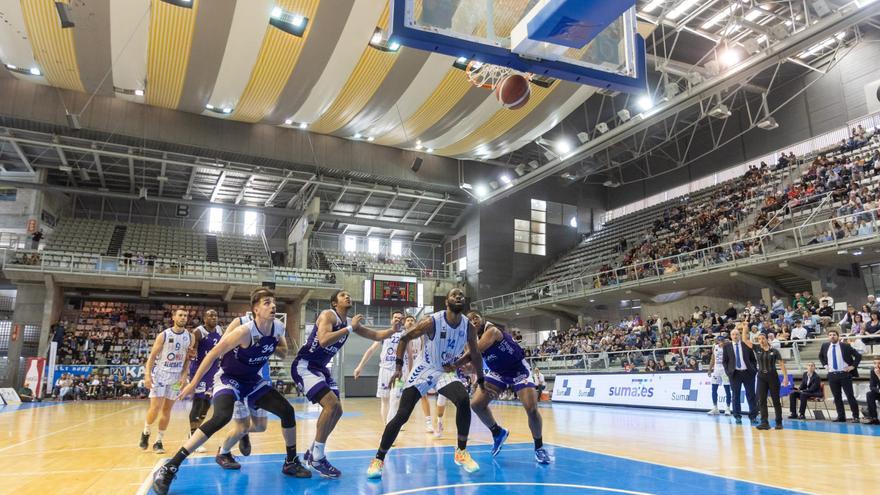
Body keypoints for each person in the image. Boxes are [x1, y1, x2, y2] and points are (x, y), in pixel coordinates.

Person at [151, 288, 311, 495]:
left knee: (287, 411)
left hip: (252, 380)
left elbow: (282, 352)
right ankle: (170, 467)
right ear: (255, 310)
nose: (273, 306)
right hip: (228, 378)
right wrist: (192, 383)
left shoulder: (278, 327)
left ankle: (290, 461)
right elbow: (214, 354)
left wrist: (276, 349)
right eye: (267, 303)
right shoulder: (243, 331)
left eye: (274, 302)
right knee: (221, 416)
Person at [367, 288, 485, 479]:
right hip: (424, 369)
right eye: (454, 294)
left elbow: (475, 354)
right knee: (402, 415)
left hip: (445, 371)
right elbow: (405, 338)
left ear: (465, 303)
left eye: (461, 295)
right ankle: (378, 459)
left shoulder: (469, 327)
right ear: (446, 302)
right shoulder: (431, 321)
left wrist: (480, 379)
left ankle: (461, 452)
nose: (458, 297)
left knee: (463, 399)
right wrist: (398, 367)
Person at [292, 290, 397, 478]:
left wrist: (393, 330)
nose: (348, 297)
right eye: (342, 295)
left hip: (320, 368)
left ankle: (312, 451)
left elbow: (376, 335)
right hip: (305, 365)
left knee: (337, 410)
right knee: (331, 405)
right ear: (334, 303)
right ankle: (317, 457)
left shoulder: (350, 323)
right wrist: (350, 328)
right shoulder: (328, 315)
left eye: (349, 294)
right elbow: (323, 341)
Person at [460, 312, 551, 463]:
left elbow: (474, 353)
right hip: (498, 373)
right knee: (476, 404)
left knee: (531, 409)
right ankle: (497, 432)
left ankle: (539, 447)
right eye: (469, 320)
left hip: (518, 369)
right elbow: (473, 364)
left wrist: (458, 363)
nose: (473, 320)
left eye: (476, 317)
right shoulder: (469, 341)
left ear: (482, 319)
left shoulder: (492, 331)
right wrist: (470, 369)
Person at [140, 309, 191, 454]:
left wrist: (184, 376)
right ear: (174, 317)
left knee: (167, 410)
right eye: (180, 315)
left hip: (176, 376)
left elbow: (188, 359)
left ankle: (159, 441)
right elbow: (152, 357)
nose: (183, 317)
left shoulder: (190, 337)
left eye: (185, 316)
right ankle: (146, 431)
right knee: (155, 409)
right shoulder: (164, 335)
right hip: (161, 374)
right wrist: (147, 375)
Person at [352, 310, 418, 424]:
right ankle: (386, 426)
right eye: (395, 318)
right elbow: (371, 350)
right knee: (385, 400)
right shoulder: (384, 334)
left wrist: (411, 374)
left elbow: (410, 356)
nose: (397, 319)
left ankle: (390, 427)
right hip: (385, 370)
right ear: (391, 320)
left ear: (403, 321)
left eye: (400, 318)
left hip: (400, 370)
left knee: (395, 398)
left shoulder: (406, 335)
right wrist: (359, 366)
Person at [187, 310, 223, 454]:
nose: (214, 318)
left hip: (213, 371)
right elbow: (191, 350)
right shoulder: (198, 332)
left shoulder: (220, 330)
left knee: (207, 404)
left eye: (215, 315)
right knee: (198, 403)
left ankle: (195, 433)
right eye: (210, 316)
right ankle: (192, 436)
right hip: (200, 371)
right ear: (204, 318)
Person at [744, 333, 788, 430]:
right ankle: (764, 422)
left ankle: (779, 422)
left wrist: (785, 377)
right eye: (759, 339)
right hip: (761, 377)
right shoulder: (757, 348)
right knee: (762, 400)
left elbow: (781, 364)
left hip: (773, 377)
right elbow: (745, 339)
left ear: (767, 339)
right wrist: (745, 328)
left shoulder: (774, 351)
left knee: (776, 400)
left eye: (763, 338)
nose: (761, 340)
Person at [818, 329, 862, 423]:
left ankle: (856, 416)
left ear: (838, 336)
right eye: (830, 335)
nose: (832, 336)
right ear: (828, 337)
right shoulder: (825, 346)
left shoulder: (845, 346)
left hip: (844, 374)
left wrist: (852, 366)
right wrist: (825, 365)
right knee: (837, 397)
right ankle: (841, 416)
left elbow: (858, 356)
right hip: (832, 375)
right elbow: (820, 356)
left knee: (850, 396)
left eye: (834, 334)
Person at [722, 326, 758, 425]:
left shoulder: (746, 345)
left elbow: (753, 359)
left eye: (737, 334)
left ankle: (753, 416)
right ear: (730, 336)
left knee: (751, 395)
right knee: (735, 396)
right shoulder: (726, 346)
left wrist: (754, 370)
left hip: (748, 373)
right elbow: (725, 361)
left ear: (740, 335)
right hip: (735, 374)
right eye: (733, 334)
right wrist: (729, 372)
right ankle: (737, 416)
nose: (735, 336)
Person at [707, 335, 732, 416]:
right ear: (717, 341)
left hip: (725, 371)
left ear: (724, 341)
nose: (721, 342)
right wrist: (710, 369)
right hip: (716, 370)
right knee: (714, 389)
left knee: (727, 389)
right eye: (719, 341)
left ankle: (728, 408)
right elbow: (712, 359)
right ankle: (715, 408)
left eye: (722, 341)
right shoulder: (715, 347)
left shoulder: (728, 347)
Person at [865, 358, 880, 425]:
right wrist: (878, 390)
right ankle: (874, 418)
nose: (877, 365)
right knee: (869, 394)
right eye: (875, 363)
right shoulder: (873, 371)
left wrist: (879, 375)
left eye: (879, 363)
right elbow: (872, 386)